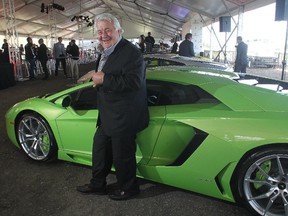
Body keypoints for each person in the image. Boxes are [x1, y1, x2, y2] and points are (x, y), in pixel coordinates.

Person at [76, 13, 149, 201]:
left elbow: (133, 82)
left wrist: (104, 79)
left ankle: (129, 188)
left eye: (107, 30)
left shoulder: (131, 52)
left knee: (122, 155)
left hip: (124, 116)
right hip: (108, 114)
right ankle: (97, 184)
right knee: (99, 150)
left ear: (118, 31)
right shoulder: (104, 50)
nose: (103, 35)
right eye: (99, 31)